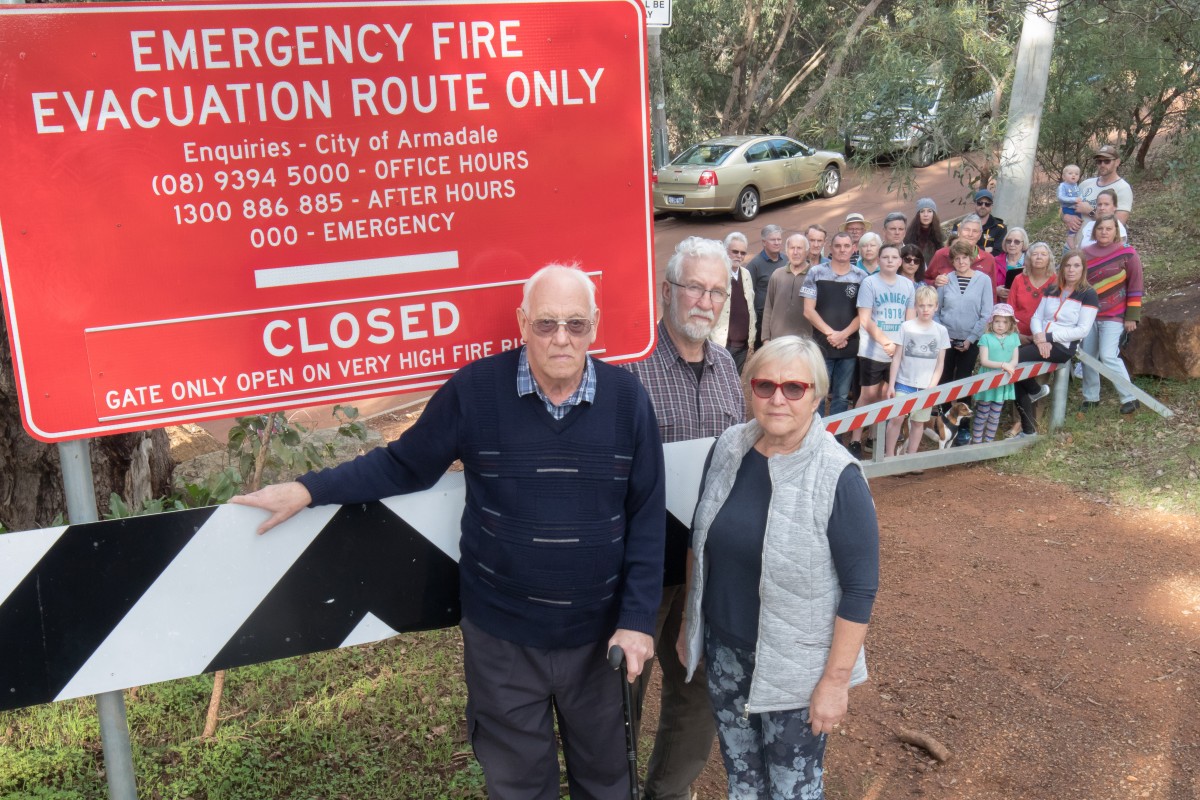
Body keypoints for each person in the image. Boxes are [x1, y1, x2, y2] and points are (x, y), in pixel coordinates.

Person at [231, 265, 665, 800]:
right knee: (519, 789)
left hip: (601, 642)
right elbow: (403, 464)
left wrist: (639, 620)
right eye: (547, 323)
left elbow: (646, 517)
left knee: (607, 786)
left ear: (595, 326)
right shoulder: (475, 391)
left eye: (576, 325)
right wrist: (309, 489)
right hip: (502, 641)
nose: (561, 338)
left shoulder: (628, 401)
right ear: (522, 323)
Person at [676, 336, 879, 800]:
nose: (778, 399)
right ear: (749, 390)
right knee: (743, 781)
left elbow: (860, 588)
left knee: (793, 789)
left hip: (797, 669)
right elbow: (700, 540)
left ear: (817, 396)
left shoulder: (837, 475)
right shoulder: (730, 447)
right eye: (765, 386)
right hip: (727, 653)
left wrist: (834, 682)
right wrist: (692, 624)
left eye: (794, 388)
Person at [624, 237, 744, 800]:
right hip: (641, 563)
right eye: (695, 286)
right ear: (668, 290)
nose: (706, 300)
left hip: (706, 564)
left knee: (696, 688)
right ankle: (612, 787)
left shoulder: (726, 366)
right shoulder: (629, 366)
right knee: (623, 686)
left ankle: (665, 794)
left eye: (717, 290)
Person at [1012, 250, 1099, 437]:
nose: (1071, 270)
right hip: (1042, 341)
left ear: (1083, 268)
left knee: (1012, 359)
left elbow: (1082, 330)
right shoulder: (1052, 289)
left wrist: (1048, 337)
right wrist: (1038, 336)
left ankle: (1034, 396)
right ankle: (1029, 427)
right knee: (1015, 374)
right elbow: (1037, 317)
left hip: (1063, 347)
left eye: (1076, 266)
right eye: (1067, 265)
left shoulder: (1088, 294)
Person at [848, 243, 915, 459]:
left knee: (886, 395)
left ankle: (874, 439)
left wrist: (903, 345)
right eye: (885, 257)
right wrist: (886, 342)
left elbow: (910, 318)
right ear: (879, 260)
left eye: (894, 257)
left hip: (898, 350)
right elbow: (865, 319)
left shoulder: (907, 285)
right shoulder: (870, 283)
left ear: (899, 261)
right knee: (868, 395)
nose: (889, 260)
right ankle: (856, 439)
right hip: (873, 349)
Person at [1080, 215, 1145, 415]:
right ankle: (1091, 398)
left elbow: (1135, 286)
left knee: (1108, 356)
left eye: (1109, 228)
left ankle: (1129, 397)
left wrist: (1132, 316)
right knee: (1087, 357)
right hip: (1088, 315)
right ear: (1094, 231)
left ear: (1116, 231)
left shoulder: (1128, 254)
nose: (1104, 232)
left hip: (1115, 315)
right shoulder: (1084, 254)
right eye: (1101, 228)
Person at [936, 239, 994, 445]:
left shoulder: (983, 280)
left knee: (963, 381)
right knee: (944, 380)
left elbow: (987, 313)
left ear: (972, 259)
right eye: (956, 259)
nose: (961, 262)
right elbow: (937, 310)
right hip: (947, 339)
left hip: (971, 339)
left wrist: (970, 339)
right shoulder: (945, 280)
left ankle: (962, 428)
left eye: (964, 258)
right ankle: (942, 425)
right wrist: (944, 336)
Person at [802, 232, 865, 418]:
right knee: (819, 393)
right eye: (838, 246)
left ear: (853, 249)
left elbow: (864, 315)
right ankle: (818, 432)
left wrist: (843, 335)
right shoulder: (816, 273)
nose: (842, 250)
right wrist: (832, 334)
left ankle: (836, 436)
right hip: (822, 344)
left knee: (842, 396)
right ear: (830, 248)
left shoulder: (862, 277)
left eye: (847, 246)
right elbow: (808, 310)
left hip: (850, 345)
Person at [885, 284, 950, 458]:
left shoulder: (941, 331)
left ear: (936, 306)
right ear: (916, 306)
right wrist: (892, 384)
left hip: (926, 385)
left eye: (929, 305)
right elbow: (897, 357)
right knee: (897, 418)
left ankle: (911, 457)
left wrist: (932, 386)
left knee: (918, 422)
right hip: (904, 382)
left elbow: (940, 363)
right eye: (921, 305)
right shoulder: (906, 327)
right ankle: (889, 455)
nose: (925, 309)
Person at [1005, 241, 1057, 437]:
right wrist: (1016, 334)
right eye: (1035, 254)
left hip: (1043, 339)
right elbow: (1009, 310)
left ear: (1049, 259)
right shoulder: (1019, 279)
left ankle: (1035, 422)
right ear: (1028, 257)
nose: (1039, 257)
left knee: (1039, 379)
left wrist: (1041, 337)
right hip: (1018, 336)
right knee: (1018, 378)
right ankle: (1018, 422)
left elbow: (1056, 313)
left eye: (1043, 254)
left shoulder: (1055, 281)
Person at [970, 304, 1020, 444]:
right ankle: (976, 443)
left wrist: (1011, 365)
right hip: (988, 379)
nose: (1000, 325)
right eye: (997, 321)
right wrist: (1003, 365)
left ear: (1010, 323)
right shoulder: (986, 338)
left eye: (1004, 322)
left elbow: (1015, 359)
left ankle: (988, 443)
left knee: (995, 414)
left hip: (1003, 380)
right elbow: (984, 361)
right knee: (982, 413)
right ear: (992, 322)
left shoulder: (1014, 337)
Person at [712, 232, 757, 371]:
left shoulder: (746, 274)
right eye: (735, 251)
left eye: (743, 253)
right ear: (725, 252)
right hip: (722, 344)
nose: (739, 256)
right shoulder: (716, 275)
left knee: (734, 383)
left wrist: (751, 338)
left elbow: (750, 306)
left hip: (743, 345)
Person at [1070, 144, 1133, 241]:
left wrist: (1091, 211)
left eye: (1107, 161)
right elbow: (1064, 208)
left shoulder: (1123, 188)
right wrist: (1066, 217)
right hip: (1073, 247)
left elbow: (1117, 224)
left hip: (1100, 250)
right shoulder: (1085, 184)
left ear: (1117, 162)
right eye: (1099, 161)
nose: (1102, 165)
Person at [761, 234, 814, 341]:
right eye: (792, 248)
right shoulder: (777, 275)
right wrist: (766, 339)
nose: (795, 252)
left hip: (805, 343)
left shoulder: (815, 276)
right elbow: (768, 308)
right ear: (786, 251)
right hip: (777, 341)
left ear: (807, 251)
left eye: (799, 248)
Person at [925, 214, 998, 290]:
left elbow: (992, 292)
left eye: (975, 231)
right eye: (966, 230)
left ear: (979, 235)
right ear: (959, 231)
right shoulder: (941, 254)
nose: (970, 234)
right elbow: (925, 280)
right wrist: (935, 283)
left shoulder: (989, 260)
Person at [747, 224, 785, 349]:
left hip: (783, 316)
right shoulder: (755, 264)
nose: (777, 242)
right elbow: (747, 292)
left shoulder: (787, 261)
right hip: (763, 319)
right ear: (764, 242)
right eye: (773, 240)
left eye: (779, 239)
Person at [955, 189, 1006, 256]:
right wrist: (986, 249)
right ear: (974, 204)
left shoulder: (1000, 228)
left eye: (987, 204)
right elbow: (954, 247)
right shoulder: (960, 225)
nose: (983, 206)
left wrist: (968, 247)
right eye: (980, 203)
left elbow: (998, 252)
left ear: (991, 206)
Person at [905, 197, 945, 264]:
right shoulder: (909, 236)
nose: (925, 215)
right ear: (918, 215)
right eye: (922, 211)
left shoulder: (940, 236)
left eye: (929, 211)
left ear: (934, 214)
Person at [994, 226, 1029, 299]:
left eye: (1017, 242)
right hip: (999, 306)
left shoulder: (1031, 263)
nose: (1012, 244)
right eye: (1009, 241)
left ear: (1023, 244)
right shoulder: (994, 262)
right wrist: (995, 291)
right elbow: (985, 286)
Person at [1057, 164, 1082, 246]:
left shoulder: (1075, 186)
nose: (1074, 175)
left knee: (1079, 220)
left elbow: (1079, 195)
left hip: (1076, 207)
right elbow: (1060, 197)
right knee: (1075, 222)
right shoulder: (1063, 186)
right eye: (1070, 173)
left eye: (1076, 174)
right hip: (1068, 208)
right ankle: (1070, 236)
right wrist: (1074, 200)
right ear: (1064, 176)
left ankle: (1074, 236)